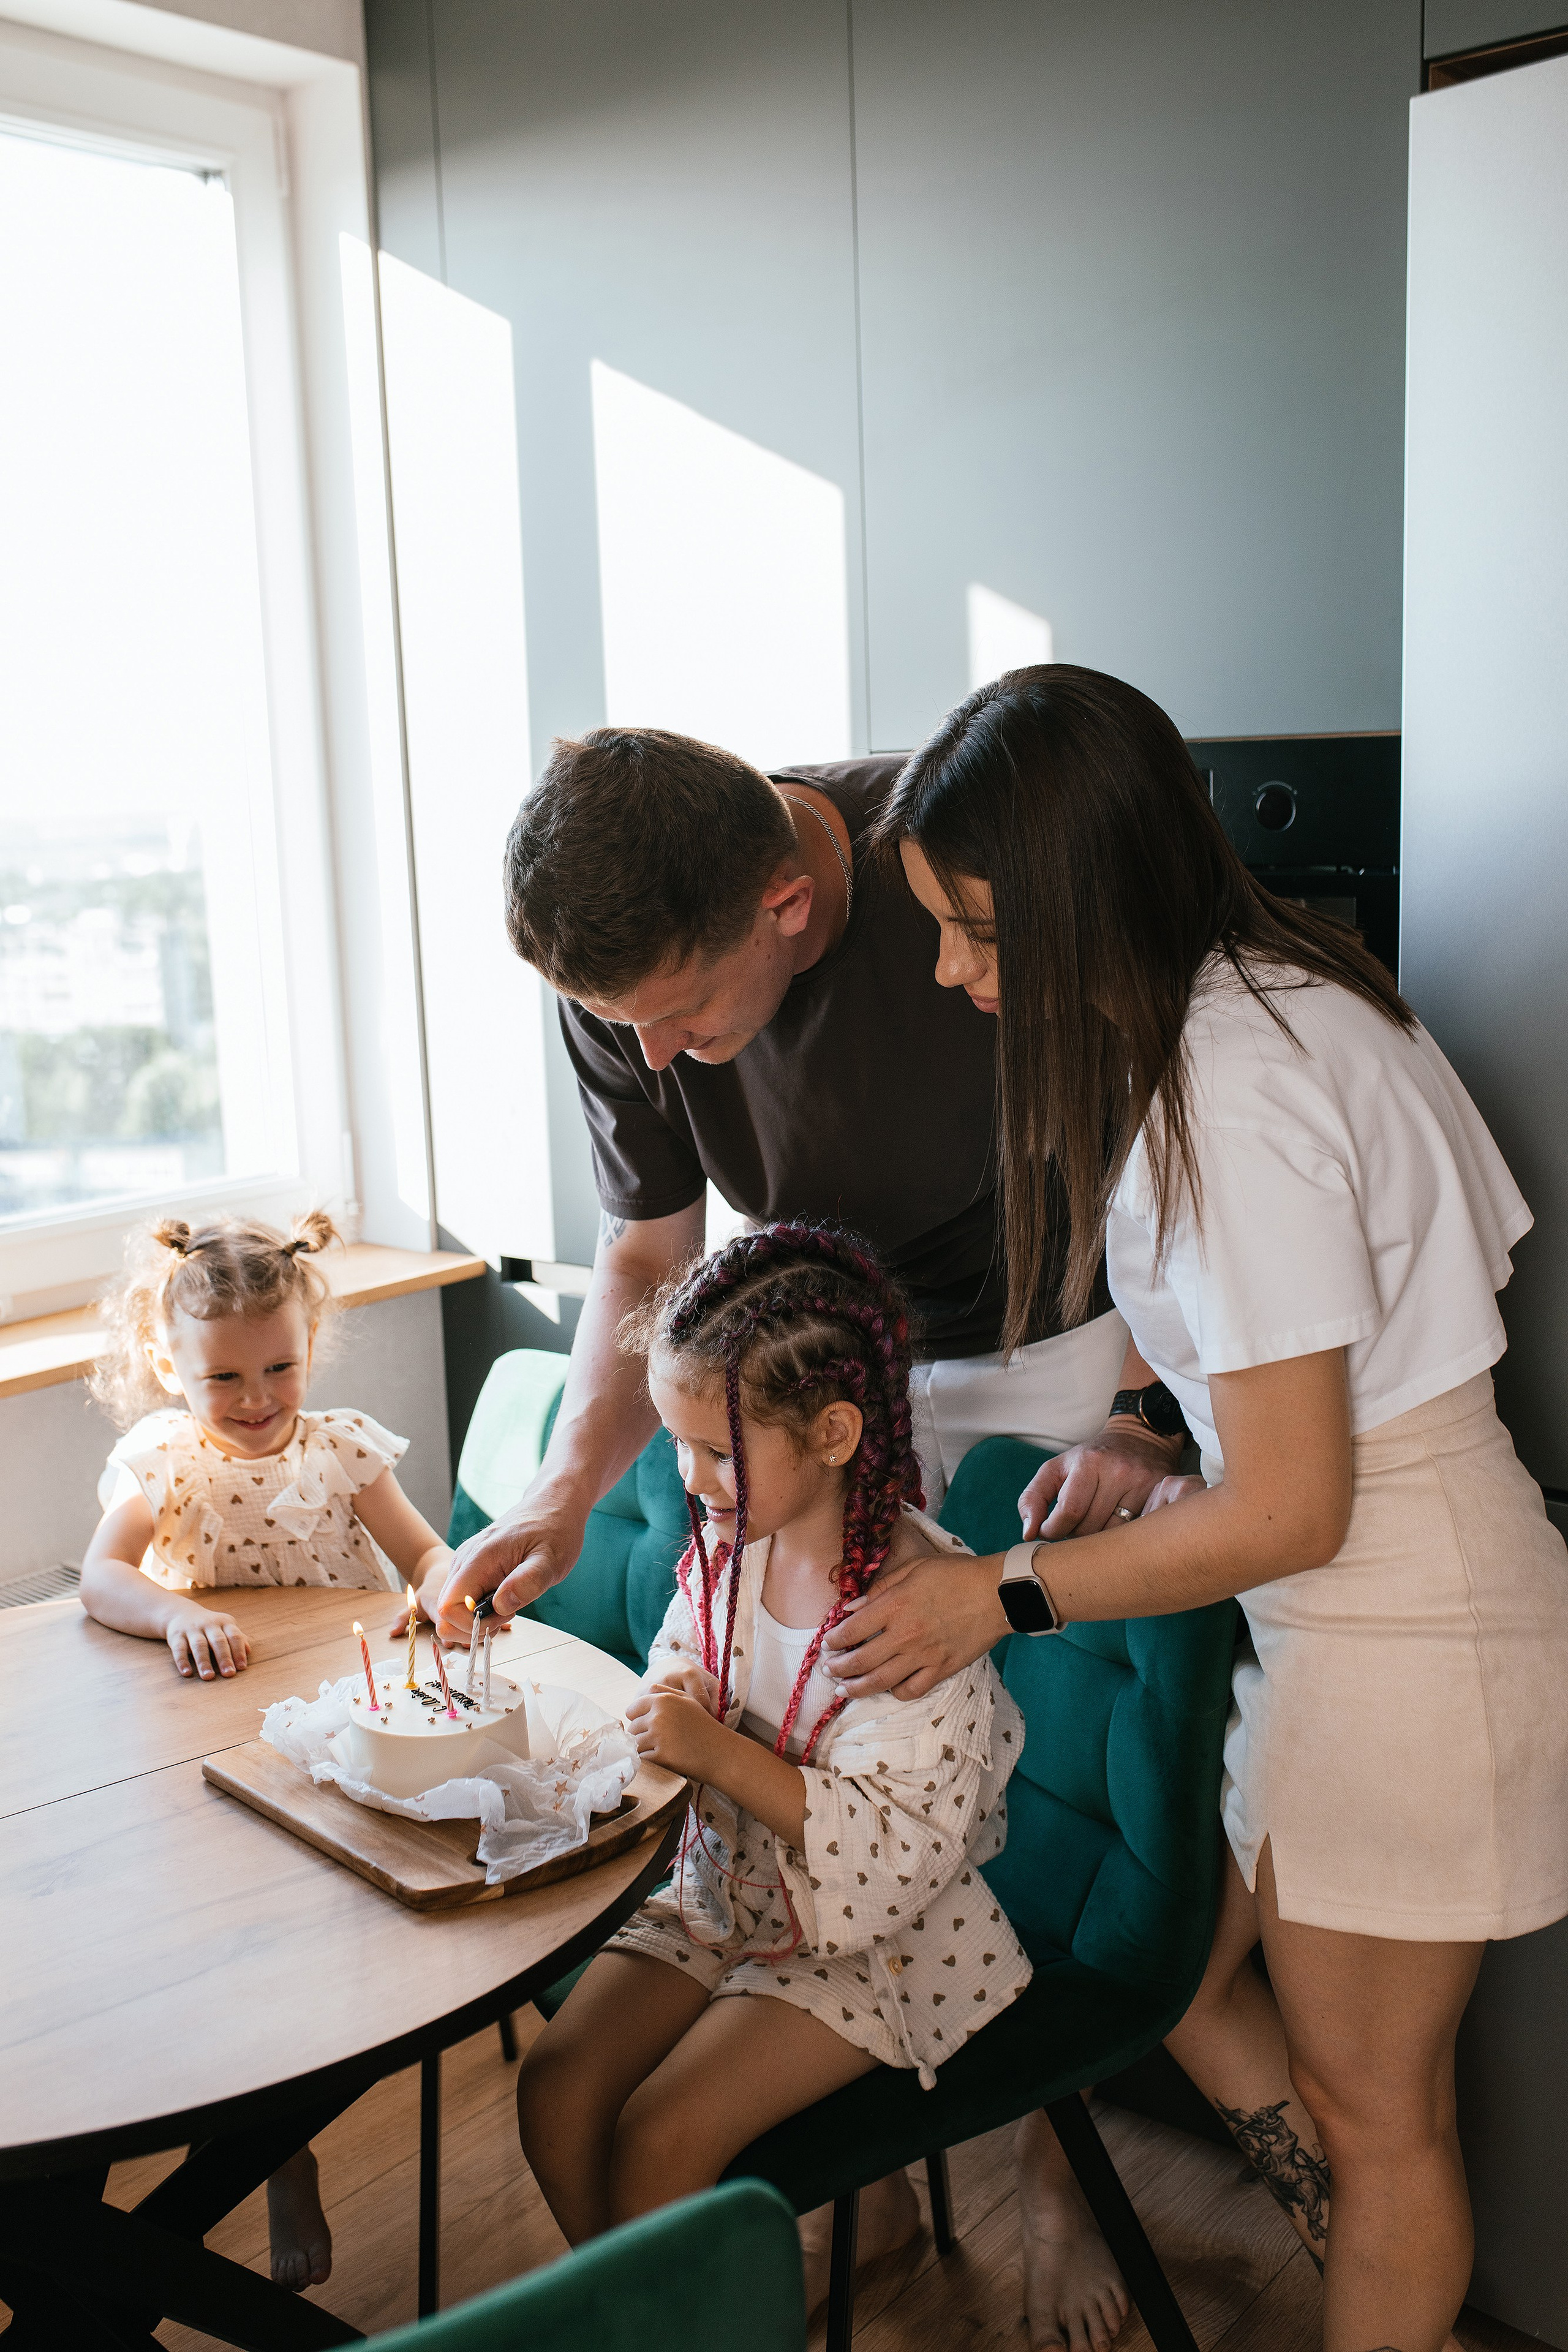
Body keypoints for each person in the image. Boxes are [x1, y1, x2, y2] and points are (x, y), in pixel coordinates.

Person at [816, 663, 1568, 2352]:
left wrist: (994, 1593)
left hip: (1400, 1634)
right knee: (1189, 1980)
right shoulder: (1296, 991)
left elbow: (1302, 1505)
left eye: (984, 930)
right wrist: (1168, 1440)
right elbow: (1367, 1357)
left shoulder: (1226, 1081)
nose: (950, 968)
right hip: (1370, 1606)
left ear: (1098, 898)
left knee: (1381, 2118)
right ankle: (1389, 2287)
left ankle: (1389, 2292)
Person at [442, 723, 1167, 2299]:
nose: (651, 1060)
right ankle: (758, 2269)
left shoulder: (958, 870)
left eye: (681, 1019)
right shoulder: (630, 977)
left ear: (784, 902)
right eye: (613, 1026)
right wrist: (567, 1494)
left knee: (1017, 1760)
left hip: (1062, 1326)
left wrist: (1140, 1407)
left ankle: (1045, 2149)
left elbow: (1162, 1157)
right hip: (815, 1355)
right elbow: (645, 1257)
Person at [515, 1222, 1031, 2291]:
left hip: (872, 1942)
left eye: (715, 1450)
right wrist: (677, 1689)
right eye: (676, 1442)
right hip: (722, 1889)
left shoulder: (915, 1613)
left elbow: (895, 1852)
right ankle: (645, 2323)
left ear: (836, 1432)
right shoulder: (727, 1542)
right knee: (559, 2088)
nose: (688, 1477)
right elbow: (681, 1652)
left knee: (661, 2142)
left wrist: (712, 1749)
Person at [81, 1210, 452, 2291]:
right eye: (223, 1379)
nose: (254, 1401)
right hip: (214, 1723)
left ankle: (277, 2136)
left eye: (279, 1366)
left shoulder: (340, 1446)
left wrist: (444, 1595)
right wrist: (168, 1616)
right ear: (168, 1366)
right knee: (224, 1950)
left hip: (340, 1719)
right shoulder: (165, 1458)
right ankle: (274, 2155)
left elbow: (423, 1552)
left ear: (310, 1342)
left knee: (312, 1951)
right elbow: (102, 1581)